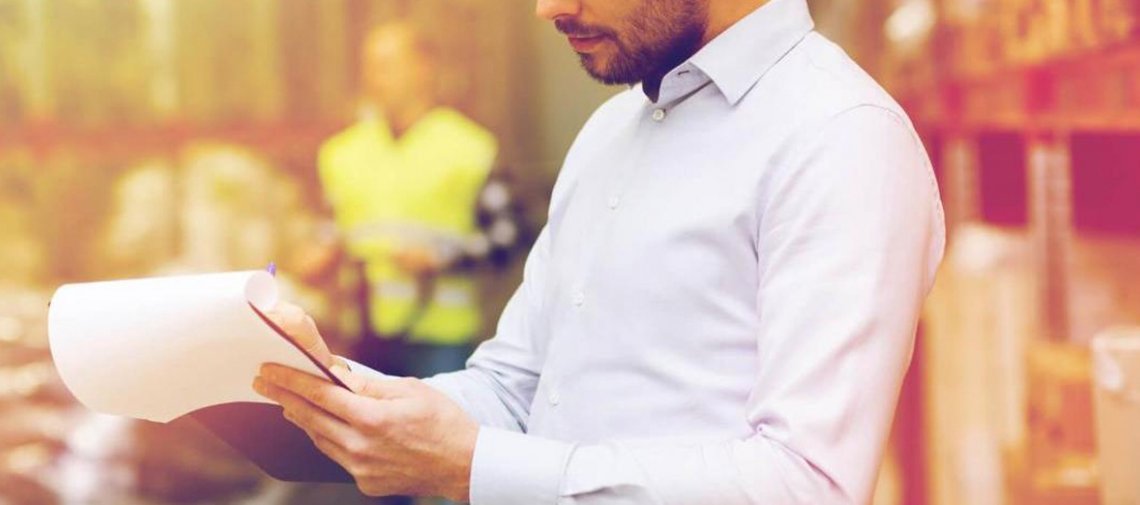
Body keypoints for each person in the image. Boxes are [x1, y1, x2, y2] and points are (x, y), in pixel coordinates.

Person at [254, 0, 946, 503]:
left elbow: (806, 486)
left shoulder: (840, 138)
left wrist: (472, 465)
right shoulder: (609, 133)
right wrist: (342, 392)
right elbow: (518, 386)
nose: (547, 7)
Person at [316, 22, 498, 379]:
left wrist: (443, 257)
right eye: (367, 66)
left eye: (385, 65)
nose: (373, 78)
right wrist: (320, 253)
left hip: (439, 338)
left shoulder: (470, 147)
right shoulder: (341, 151)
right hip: (362, 335)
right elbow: (333, 226)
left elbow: (508, 237)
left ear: (422, 68)